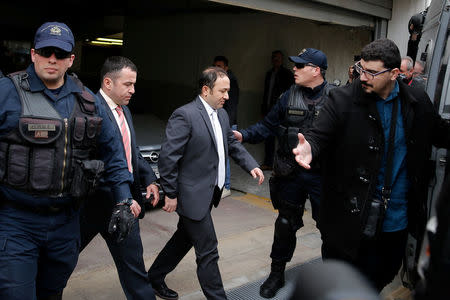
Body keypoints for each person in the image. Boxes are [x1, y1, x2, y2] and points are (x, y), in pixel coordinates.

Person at [292, 38, 450, 291]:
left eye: (372, 72)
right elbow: (318, 135)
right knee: (341, 285)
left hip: (395, 222)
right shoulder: (341, 100)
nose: (363, 76)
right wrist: (308, 147)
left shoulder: (416, 102)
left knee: (379, 280)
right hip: (347, 222)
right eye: (361, 68)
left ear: (395, 74)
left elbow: (440, 132)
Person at [0, 22, 136, 300]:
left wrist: (123, 200)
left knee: (52, 293)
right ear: (33, 53)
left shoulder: (88, 101)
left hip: (66, 222)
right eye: (46, 51)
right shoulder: (6, 92)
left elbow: (113, 154)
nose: (52, 59)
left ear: (70, 59)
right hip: (16, 221)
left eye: (60, 54)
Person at [147, 66, 264, 300]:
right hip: (192, 195)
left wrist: (251, 164)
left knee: (184, 239)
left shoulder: (221, 114)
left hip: (209, 193)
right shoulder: (185, 115)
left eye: (228, 91)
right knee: (208, 250)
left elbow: (231, 143)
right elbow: (168, 158)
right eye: (223, 91)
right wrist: (170, 192)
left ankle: (154, 276)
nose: (227, 96)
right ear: (205, 90)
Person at [234, 48, 335, 298]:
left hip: (324, 175)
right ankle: (276, 274)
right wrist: (244, 135)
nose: (295, 69)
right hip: (291, 173)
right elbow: (267, 125)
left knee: (331, 228)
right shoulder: (289, 95)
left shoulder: (336, 97)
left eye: (301, 66)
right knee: (285, 224)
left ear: (316, 70)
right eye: (295, 65)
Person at [78, 56, 160, 300]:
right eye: (127, 84)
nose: (133, 90)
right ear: (107, 83)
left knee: (135, 271)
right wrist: (123, 196)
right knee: (59, 265)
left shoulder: (124, 111)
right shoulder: (88, 110)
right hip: (91, 205)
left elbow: (130, 152)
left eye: (134, 84)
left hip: (123, 207)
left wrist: (149, 179)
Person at [260, 50, 294, 170]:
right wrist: (263, 109)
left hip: (281, 112)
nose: (276, 60)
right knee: (268, 138)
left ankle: (282, 165)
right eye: (274, 58)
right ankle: (268, 163)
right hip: (269, 110)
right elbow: (266, 93)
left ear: (282, 60)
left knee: (282, 139)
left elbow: (290, 93)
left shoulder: (287, 74)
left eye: (278, 58)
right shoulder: (269, 74)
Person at [213, 56, 239, 198]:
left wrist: (226, 125)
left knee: (225, 154)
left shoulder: (230, 81)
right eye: (215, 65)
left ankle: (226, 186)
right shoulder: (217, 81)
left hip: (227, 122)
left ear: (226, 68)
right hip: (223, 122)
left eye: (220, 66)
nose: (217, 68)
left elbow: (232, 105)